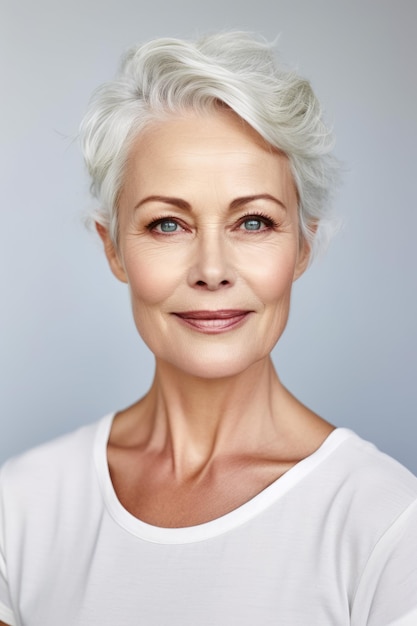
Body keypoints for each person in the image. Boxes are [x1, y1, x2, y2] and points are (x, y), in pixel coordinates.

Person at [0, 31, 416, 626]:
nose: (212, 271)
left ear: (302, 247)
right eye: (168, 224)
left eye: (253, 221)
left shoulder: (388, 528)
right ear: (114, 249)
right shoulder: (21, 508)